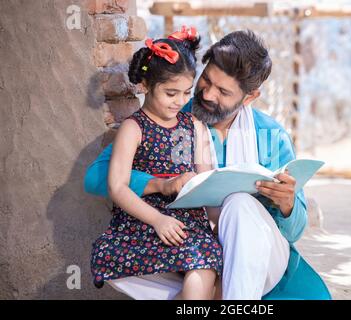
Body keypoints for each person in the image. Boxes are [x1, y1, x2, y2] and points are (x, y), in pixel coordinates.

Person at [86, 29, 331, 300]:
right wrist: (160, 184)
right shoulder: (170, 115)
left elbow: (294, 232)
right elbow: (96, 177)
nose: (208, 95)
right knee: (197, 271)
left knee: (238, 204)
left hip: (254, 257)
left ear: (249, 97)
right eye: (206, 80)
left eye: (224, 91)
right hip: (185, 246)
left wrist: (287, 204)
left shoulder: (271, 136)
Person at [90, 27, 223, 300]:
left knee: (211, 270)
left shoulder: (194, 126)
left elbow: (207, 182)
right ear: (146, 86)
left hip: (189, 223)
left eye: (186, 93)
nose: (181, 102)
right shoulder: (133, 128)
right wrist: (158, 220)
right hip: (145, 223)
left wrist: (222, 224)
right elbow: (118, 187)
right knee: (203, 267)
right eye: (171, 93)